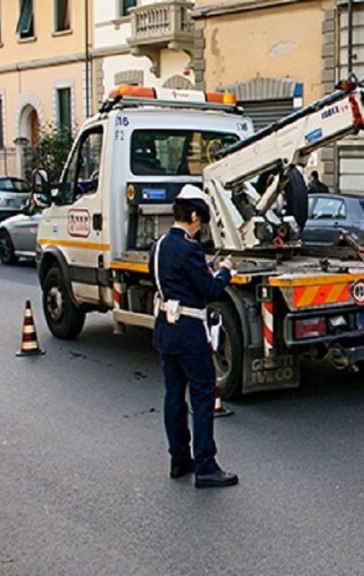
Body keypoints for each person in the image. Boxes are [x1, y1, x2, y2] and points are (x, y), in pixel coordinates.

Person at [149, 184, 239, 488]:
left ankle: (178, 459)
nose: (200, 226)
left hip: (165, 328)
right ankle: (205, 465)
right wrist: (225, 270)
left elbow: (171, 279)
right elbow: (211, 290)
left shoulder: (159, 245)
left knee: (173, 395)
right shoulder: (190, 249)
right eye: (199, 219)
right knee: (202, 396)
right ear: (191, 214)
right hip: (189, 330)